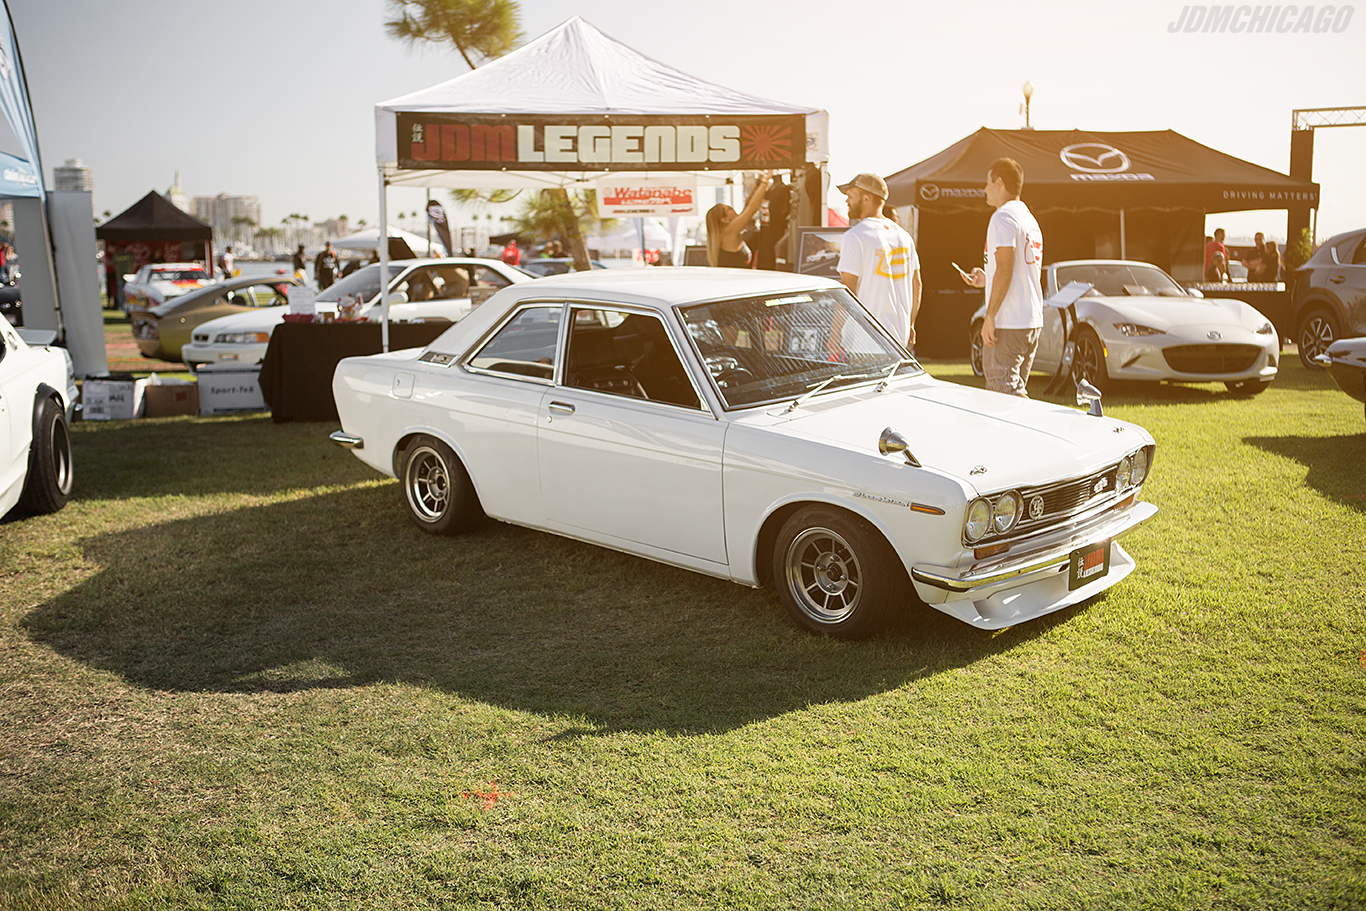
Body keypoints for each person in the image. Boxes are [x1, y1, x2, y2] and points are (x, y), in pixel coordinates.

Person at [962, 158, 1044, 398]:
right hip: (1030, 321)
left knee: (1002, 400)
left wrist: (989, 316)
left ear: (999, 183)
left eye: (987, 183)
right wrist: (986, 278)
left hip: (1009, 322)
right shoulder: (1029, 218)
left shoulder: (1002, 216)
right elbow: (1018, 271)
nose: (984, 189)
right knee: (1015, 397)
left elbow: (1006, 268)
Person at [835, 172, 921, 350]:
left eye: (851, 196)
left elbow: (848, 287)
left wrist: (835, 332)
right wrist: (910, 324)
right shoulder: (904, 236)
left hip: (865, 339)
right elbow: (917, 284)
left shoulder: (856, 235)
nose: (846, 201)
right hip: (899, 340)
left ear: (866, 198)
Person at [705, 171, 772, 267]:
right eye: (729, 209)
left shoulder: (725, 234)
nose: (732, 208)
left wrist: (758, 182)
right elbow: (751, 208)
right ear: (724, 219)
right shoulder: (729, 232)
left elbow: (748, 205)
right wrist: (766, 180)